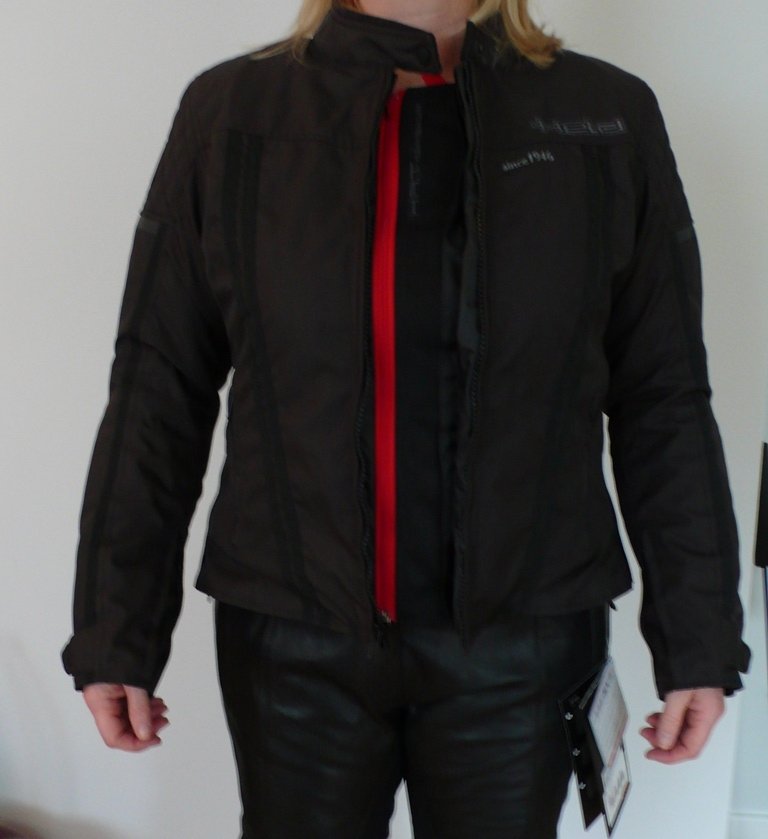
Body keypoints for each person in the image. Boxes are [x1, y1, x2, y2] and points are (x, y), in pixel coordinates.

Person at [61, 0, 752, 835]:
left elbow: (662, 393)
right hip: (294, 641)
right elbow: (158, 384)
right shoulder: (234, 114)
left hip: (521, 649)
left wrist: (698, 637)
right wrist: (116, 628)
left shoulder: (604, 116)